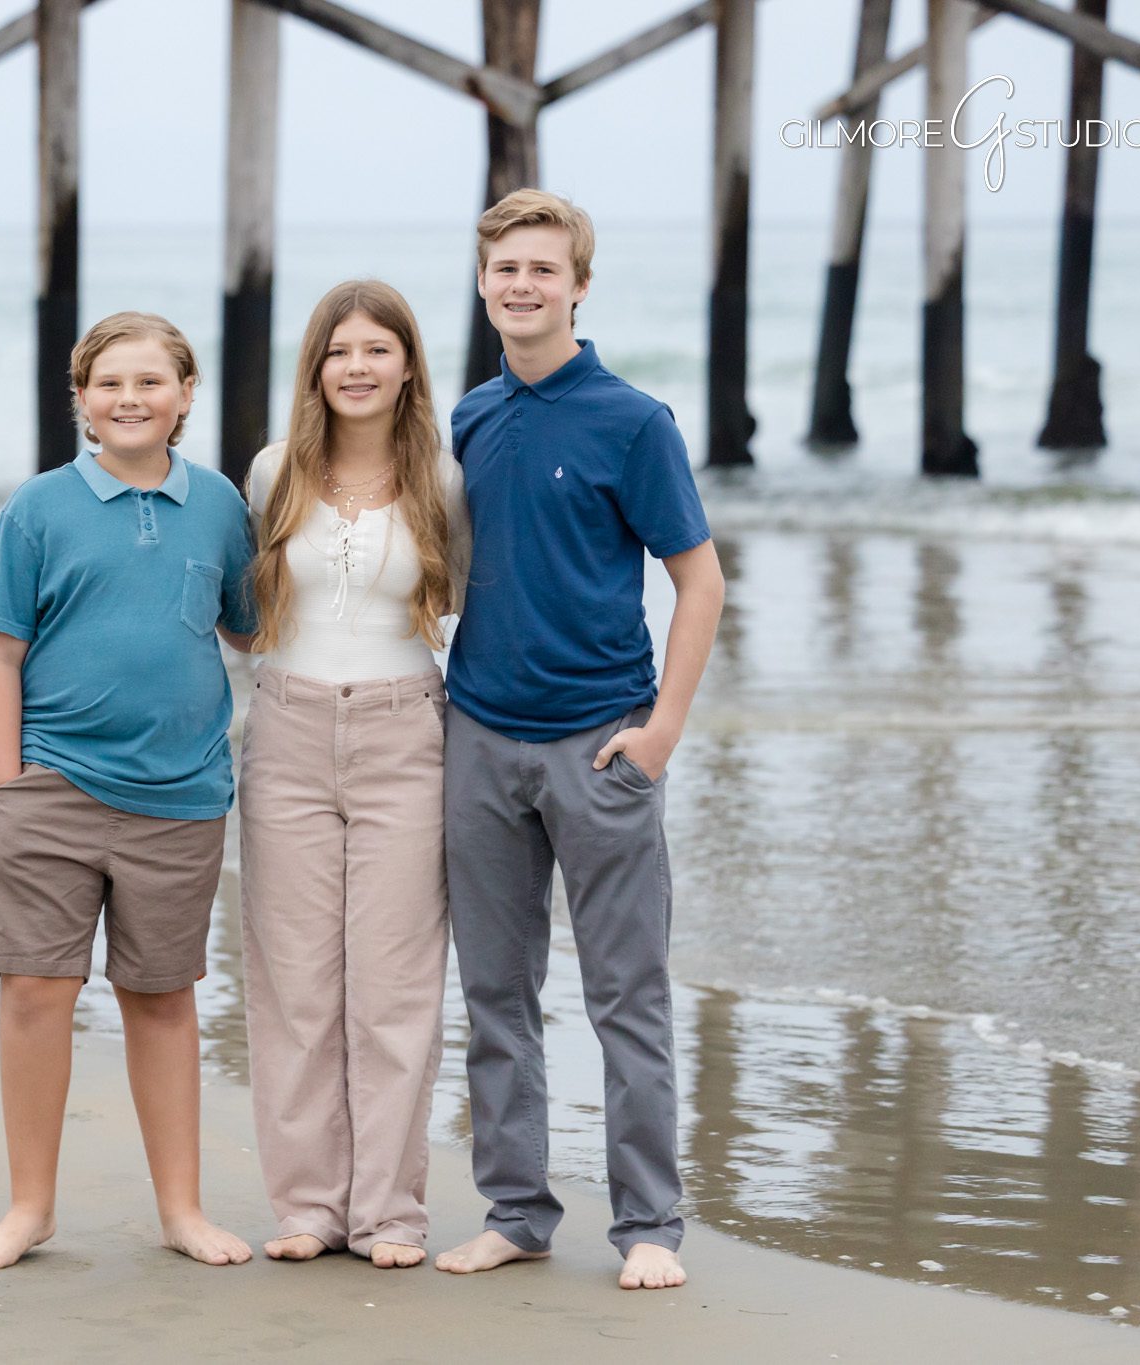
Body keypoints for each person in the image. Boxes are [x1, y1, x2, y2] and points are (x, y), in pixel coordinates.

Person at [434, 189, 724, 1290]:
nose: (520, 286)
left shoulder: (631, 421)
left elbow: (696, 583)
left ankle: (648, 1225)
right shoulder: (466, 418)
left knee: (625, 999)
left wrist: (659, 735)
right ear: (482, 282)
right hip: (477, 740)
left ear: (576, 287)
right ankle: (515, 1211)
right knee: (495, 994)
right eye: (503, 268)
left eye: (541, 271)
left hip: (600, 745)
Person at [0, 312, 256, 1271]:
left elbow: (250, 629)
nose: (131, 399)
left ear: (184, 395)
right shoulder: (38, 507)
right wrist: (8, 786)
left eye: (151, 382)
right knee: (36, 993)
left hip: (182, 797)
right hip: (51, 785)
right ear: (81, 399)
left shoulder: (217, 504)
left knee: (163, 999)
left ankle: (182, 1208)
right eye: (111, 383)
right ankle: (28, 1207)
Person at [238, 280, 468, 1269]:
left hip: (404, 734)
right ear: (315, 366)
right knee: (292, 987)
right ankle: (306, 1208)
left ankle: (387, 1213)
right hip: (284, 735)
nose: (358, 367)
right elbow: (240, 606)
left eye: (378, 349)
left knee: (393, 987)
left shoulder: (443, 482)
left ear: (407, 364)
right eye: (340, 351)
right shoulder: (272, 471)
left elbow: (466, 603)